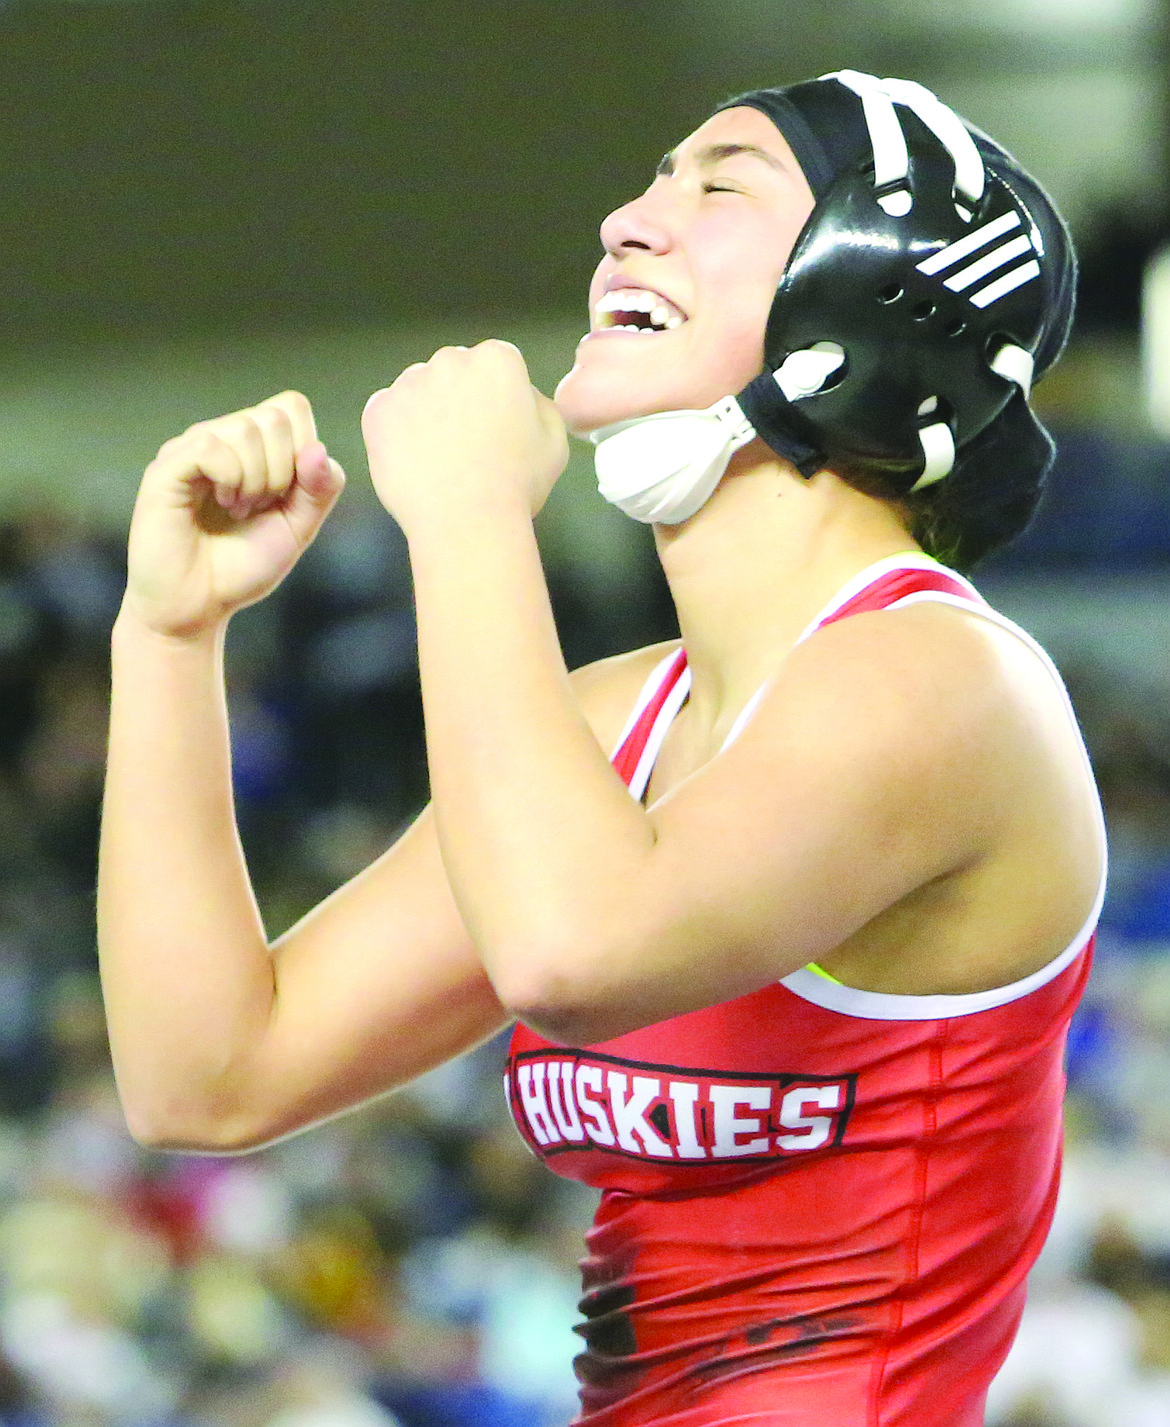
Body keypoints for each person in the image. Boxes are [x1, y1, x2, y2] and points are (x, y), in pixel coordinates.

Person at [98, 70, 1106, 1427]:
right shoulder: (608, 720)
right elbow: (207, 1074)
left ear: (874, 287)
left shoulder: (945, 681)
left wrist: (465, 521)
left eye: (718, 183)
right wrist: (169, 638)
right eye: (651, 179)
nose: (627, 219)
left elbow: (569, 955)